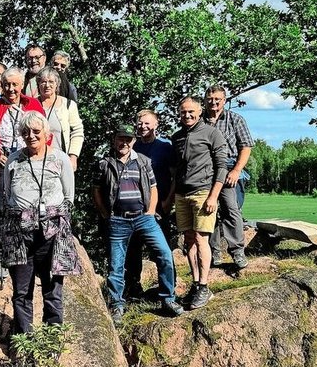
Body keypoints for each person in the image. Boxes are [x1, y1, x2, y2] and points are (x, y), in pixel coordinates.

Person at [93, 125, 182, 325]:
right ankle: (117, 304)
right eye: (120, 139)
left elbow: (153, 187)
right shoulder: (104, 164)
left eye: (128, 139)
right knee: (116, 266)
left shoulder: (143, 161)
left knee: (165, 254)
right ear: (114, 140)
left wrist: (150, 211)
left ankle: (168, 299)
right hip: (117, 220)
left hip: (144, 218)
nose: (124, 143)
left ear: (133, 141)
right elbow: (96, 191)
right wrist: (106, 214)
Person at [1, 112, 79, 336]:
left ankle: (52, 338)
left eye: (36, 131)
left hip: (52, 231)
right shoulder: (13, 160)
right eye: (25, 132)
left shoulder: (60, 158)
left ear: (46, 134)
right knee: (21, 291)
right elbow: (7, 194)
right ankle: (23, 339)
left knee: (52, 289)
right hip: (19, 232)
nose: (31, 136)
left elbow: (69, 196)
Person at [0, 67, 44, 279]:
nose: (10, 88)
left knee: (29, 208)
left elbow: (45, 133)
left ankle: (28, 253)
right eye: (7, 84)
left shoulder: (32, 105)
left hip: (29, 163)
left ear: (22, 85)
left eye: (15, 84)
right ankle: (2, 256)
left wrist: (37, 154)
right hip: (3, 164)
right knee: (2, 210)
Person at [164, 96, 227, 310]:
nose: (187, 115)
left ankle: (204, 286)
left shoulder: (212, 133)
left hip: (203, 192)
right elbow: (175, 171)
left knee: (201, 239)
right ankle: (196, 283)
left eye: (191, 111)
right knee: (189, 240)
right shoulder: (177, 137)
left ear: (200, 112)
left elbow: (222, 167)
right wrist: (170, 198)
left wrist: (213, 196)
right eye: (183, 112)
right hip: (182, 194)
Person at [126, 109, 176, 295]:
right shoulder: (133, 147)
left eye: (147, 123)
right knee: (133, 248)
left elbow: (175, 176)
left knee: (162, 249)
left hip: (159, 206)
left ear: (156, 124)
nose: (143, 126)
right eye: (140, 123)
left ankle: (168, 288)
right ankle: (133, 287)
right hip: (136, 206)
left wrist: (168, 201)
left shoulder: (165, 146)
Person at [204, 85, 253, 268]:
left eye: (217, 99)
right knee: (209, 210)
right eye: (210, 99)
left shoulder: (235, 119)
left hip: (229, 166)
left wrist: (237, 171)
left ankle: (237, 251)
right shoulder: (199, 121)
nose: (213, 102)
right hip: (205, 169)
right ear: (205, 100)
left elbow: (246, 147)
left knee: (231, 209)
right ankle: (214, 252)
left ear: (224, 100)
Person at [35, 66, 84, 171]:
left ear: (57, 84)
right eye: (43, 82)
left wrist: (73, 157)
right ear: (38, 84)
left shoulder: (68, 105)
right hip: (36, 161)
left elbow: (77, 131)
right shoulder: (32, 105)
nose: (47, 85)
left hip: (61, 161)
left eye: (51, 82)